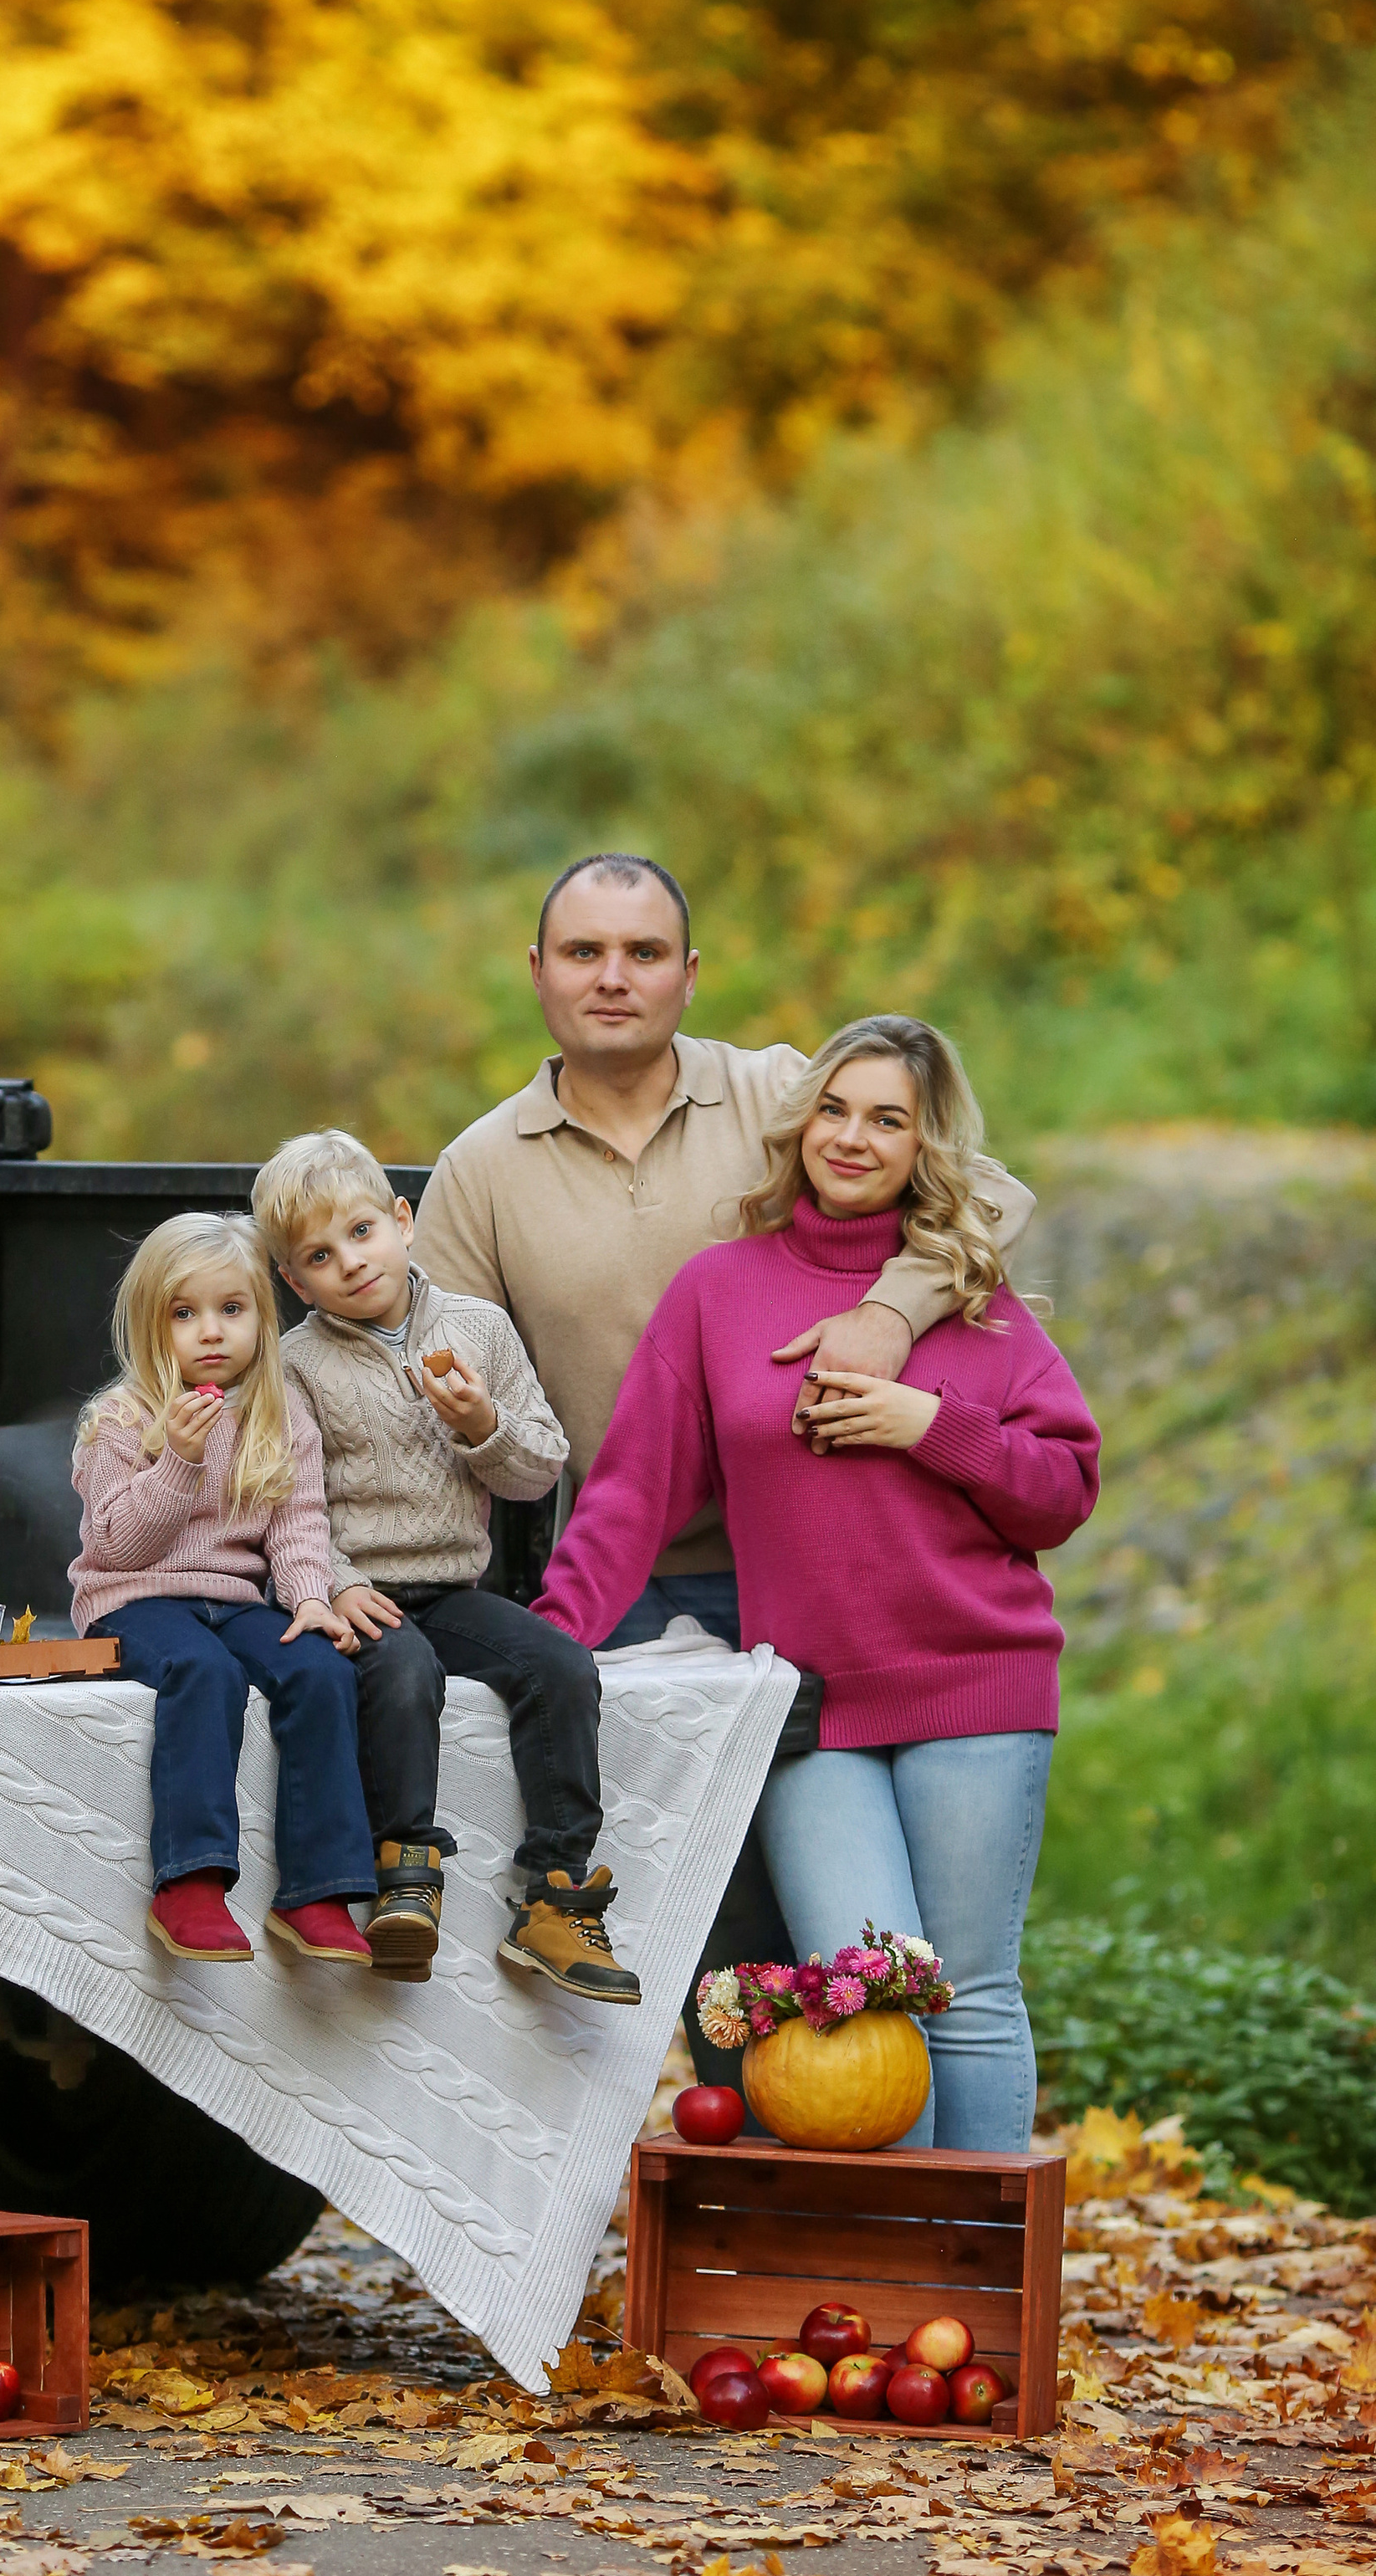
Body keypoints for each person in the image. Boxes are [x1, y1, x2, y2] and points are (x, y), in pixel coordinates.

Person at [411, 853, 1037, 2085]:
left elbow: (990, 1196)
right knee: (697, 1927)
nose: (614, 978)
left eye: (644, 953)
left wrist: (894, 1316)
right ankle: (738, 2187)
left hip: (816, 1574)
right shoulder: (482, 1169)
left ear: (690, 976)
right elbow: (432, 1396)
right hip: (633, 1586)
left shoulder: (776, 1093)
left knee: (848, 1936)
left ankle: (855, 2179)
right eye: (584, 952)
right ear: (536, 973)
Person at [533, 1016, 1099, 2148]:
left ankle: (980, 2292)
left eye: (887, 1118)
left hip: (975, 1684)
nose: (852, 1137)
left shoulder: (981, 1306)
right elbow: (631, 1495)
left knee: (971, 1995)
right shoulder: (718, 1293)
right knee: (864, 1999)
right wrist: (547, 1645)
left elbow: (1063, 1490)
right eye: (834, 1109)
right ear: (798, 1128)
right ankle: (893, 2286)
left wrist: (932, 1425)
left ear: (924, 1145)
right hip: (807, 1708)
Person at [253, 1129, 636, 2003]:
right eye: (318, 1254)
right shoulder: (295, 1366)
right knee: (401, 1671)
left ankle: (554, 1893)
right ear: (292, 1280)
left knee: (559, 1666)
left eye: (360, 1232)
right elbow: (285, 1502)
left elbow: (539, 1468)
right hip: (361, 1588)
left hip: (453, 1585)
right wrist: (335, 1582)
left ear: (402, 1220)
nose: (350, 1263)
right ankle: (405, 1874)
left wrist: (478, 1425)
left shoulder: (478, 1329)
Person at [69, 1212, 377, 1966]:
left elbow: (299, 1523)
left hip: (235, 1597)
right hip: (131, 1599)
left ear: (262, 1319)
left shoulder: (280, 1413)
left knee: (321, 1671)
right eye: (185, 1313)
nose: (211, 1331)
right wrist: (177, 1459)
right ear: (151, 1324)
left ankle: (318, 1889)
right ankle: (192, 1883)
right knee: (203, 1671)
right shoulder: (118, 1419)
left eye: (231, 1310)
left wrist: (309, 1596)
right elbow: (117, 1543)